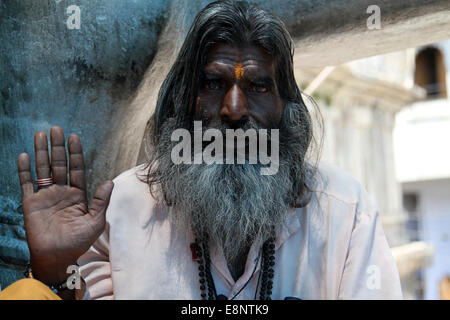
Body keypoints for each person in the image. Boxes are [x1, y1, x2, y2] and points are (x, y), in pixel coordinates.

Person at [2, 0, 402, 300]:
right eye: (212, 84)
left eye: (258, 87)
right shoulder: (124, 207)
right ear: (181, 101)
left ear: (287, 109)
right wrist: (54, 273)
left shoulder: (345, 210)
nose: (233, 110)